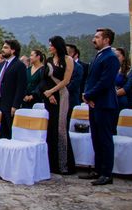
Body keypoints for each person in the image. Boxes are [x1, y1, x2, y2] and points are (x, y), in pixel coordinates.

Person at [80, 28, 119, 186]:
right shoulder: (99, 55)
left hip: (104, 104)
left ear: (107, 39)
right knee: (95, 137)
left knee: (105, 139)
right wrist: (86, 95)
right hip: (94, 102)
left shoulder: (111, 57)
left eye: (97, 37)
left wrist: (89, 95)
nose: (93, 40)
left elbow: (105, 81)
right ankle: (98, 169)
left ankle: (107, 173)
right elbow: (91, 79)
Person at [41, 36, 76, 175]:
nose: (49, 47)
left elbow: (66, 80)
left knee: (60, 127)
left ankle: (64, 164)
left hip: (61, 95)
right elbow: (43, 79)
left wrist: (52, 91)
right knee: (50, 127)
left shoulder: (68, 60)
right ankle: (51, 163)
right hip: (48, 97)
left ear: (57, 46)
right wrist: (48, 94)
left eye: (51, 45)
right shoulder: (48, 61)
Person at [0, 40, 27, 139]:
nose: (2, 50)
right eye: (3, 47)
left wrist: (15, 105)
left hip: (10, 105)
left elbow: (21, 87)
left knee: (9, 132)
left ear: (13, 50)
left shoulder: (19, 65)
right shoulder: (0, 65)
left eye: (5, 48)